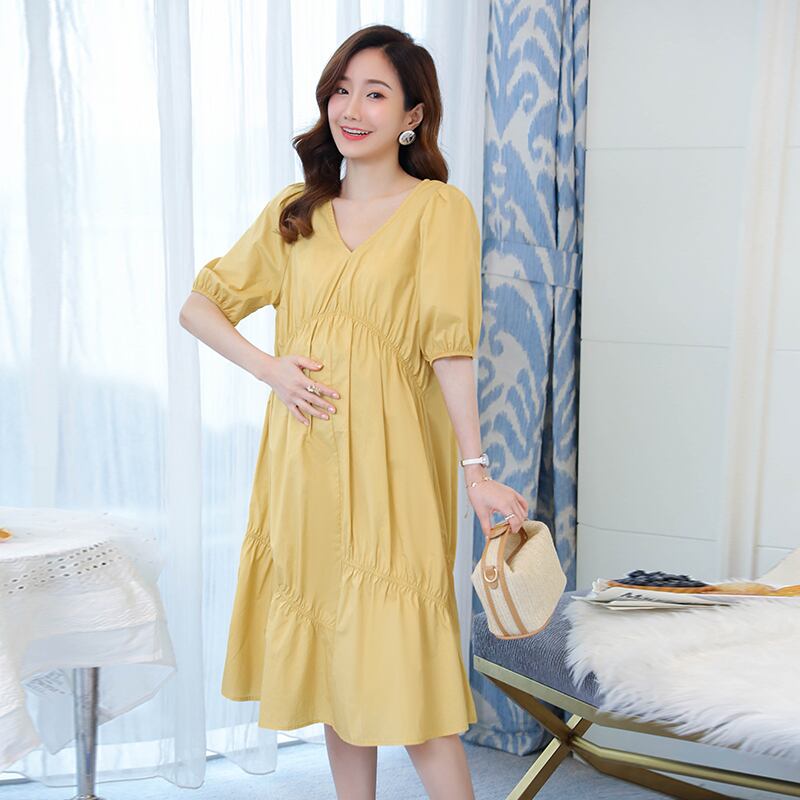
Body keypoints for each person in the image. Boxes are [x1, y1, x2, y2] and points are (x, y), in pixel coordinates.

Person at [179, 23, 528, 800]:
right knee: (339, 668)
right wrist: (270, 369)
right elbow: (200, 306)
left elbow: (450, 349)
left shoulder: (439, 210)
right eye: (342, 90)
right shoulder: (295, 212)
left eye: (375, 94)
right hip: (304, 466)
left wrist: (476, 472)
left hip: (394, 470)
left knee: (412, 682)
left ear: (412, 116)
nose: (352, 108)